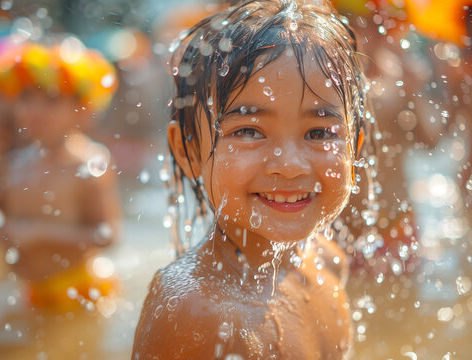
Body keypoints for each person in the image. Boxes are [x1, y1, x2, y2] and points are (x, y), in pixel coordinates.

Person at [132, 0, 372, 358]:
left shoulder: (328, 261)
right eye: (248, 130)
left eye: (320, 133)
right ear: (189, 150)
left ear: (355, 146)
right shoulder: (191, 308)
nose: (290, 165)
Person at [0, 38, 123, 311]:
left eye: (50, 100)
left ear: (82, 109)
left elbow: (108, 235)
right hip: (34, 291)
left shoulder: (88, 165)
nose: (35, 110)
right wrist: (0, 232)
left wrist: (39, 233)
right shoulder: (14, 165)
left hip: (84, 290)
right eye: (27, 98)